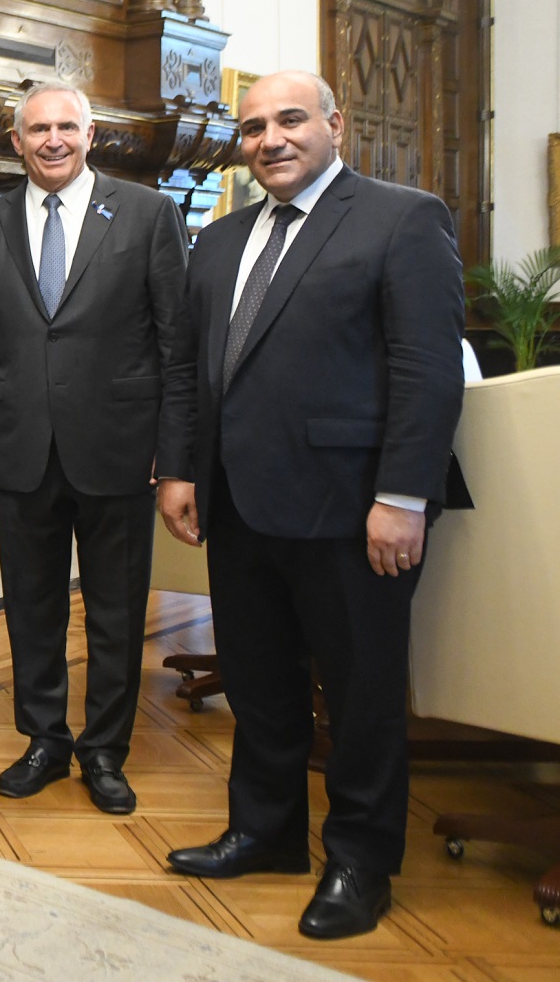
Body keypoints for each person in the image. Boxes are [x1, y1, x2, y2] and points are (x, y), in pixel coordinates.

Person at [159, 70, 465, 940]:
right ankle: (265, 831)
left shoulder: (403, 218)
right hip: (239, 505)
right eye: (253, 126)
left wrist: (402, 496)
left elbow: (426, 369)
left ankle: (361, 861)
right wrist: (179, 468)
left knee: (361, 695)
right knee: (258, 684)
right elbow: (190, 369)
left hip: (353, 508)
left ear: (333, 123)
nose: (271, 138)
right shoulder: (217, 243)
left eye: (290, 120)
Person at [0, 83, 191, 815]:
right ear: (15, 141)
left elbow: (176, 344)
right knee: (31, 604)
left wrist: (173, 448)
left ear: (91, 135)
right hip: (20, 446)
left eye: (65, 126)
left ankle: (105, 751)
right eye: (37, 129)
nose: (52, 139)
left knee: (116, 609)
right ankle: (45, 739)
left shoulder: (149, 214)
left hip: (121, 446)